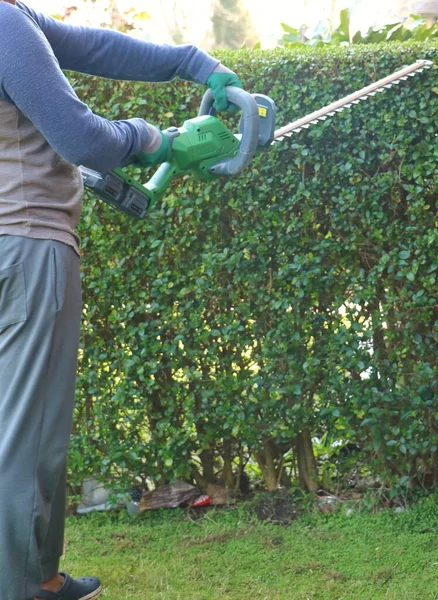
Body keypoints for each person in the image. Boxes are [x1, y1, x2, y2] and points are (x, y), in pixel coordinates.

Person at [0, 1, 242, 599]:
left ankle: (41, 579)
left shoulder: (15, 21)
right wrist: (158, 140)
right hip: (27, 244)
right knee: (29, 437)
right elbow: (82, 137)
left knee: (19, 428)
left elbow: (90, 46)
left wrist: (190, 62)